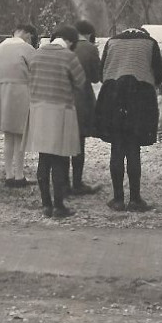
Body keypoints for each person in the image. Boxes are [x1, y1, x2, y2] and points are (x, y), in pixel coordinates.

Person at [95, 26, 162, 212]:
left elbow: (102, 73)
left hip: (113, 94)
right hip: (140, 96)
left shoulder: (111, 42)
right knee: (133, 147)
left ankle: (117, 199)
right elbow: (159, 75)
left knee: (117, 146)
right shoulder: (150, 43)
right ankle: (135, 199)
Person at [22, 25, 87, 219]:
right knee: (60, 159)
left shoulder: (36, 54)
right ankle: (59, 205)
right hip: (61, 110)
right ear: (71, 41)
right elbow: (81, 82)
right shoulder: (69, 56)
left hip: (38, 110)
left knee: (44, 158)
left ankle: (46, 205)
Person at [0, 24, 37, 187]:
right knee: (20, 136)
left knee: (8, 136)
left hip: (2, 91)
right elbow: (35, 71)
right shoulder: (27, 48)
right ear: (27, 34)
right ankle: (19, 175)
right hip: (20, 91)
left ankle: (9, 173)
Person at [71, 19, 102, 196]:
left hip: (62, 95)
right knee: (79, 141)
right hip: (82, 97)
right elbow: (95, 77)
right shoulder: (90, 48)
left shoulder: (63, 45)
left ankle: (62, 182)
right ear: (89, 34)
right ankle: (77, 182)